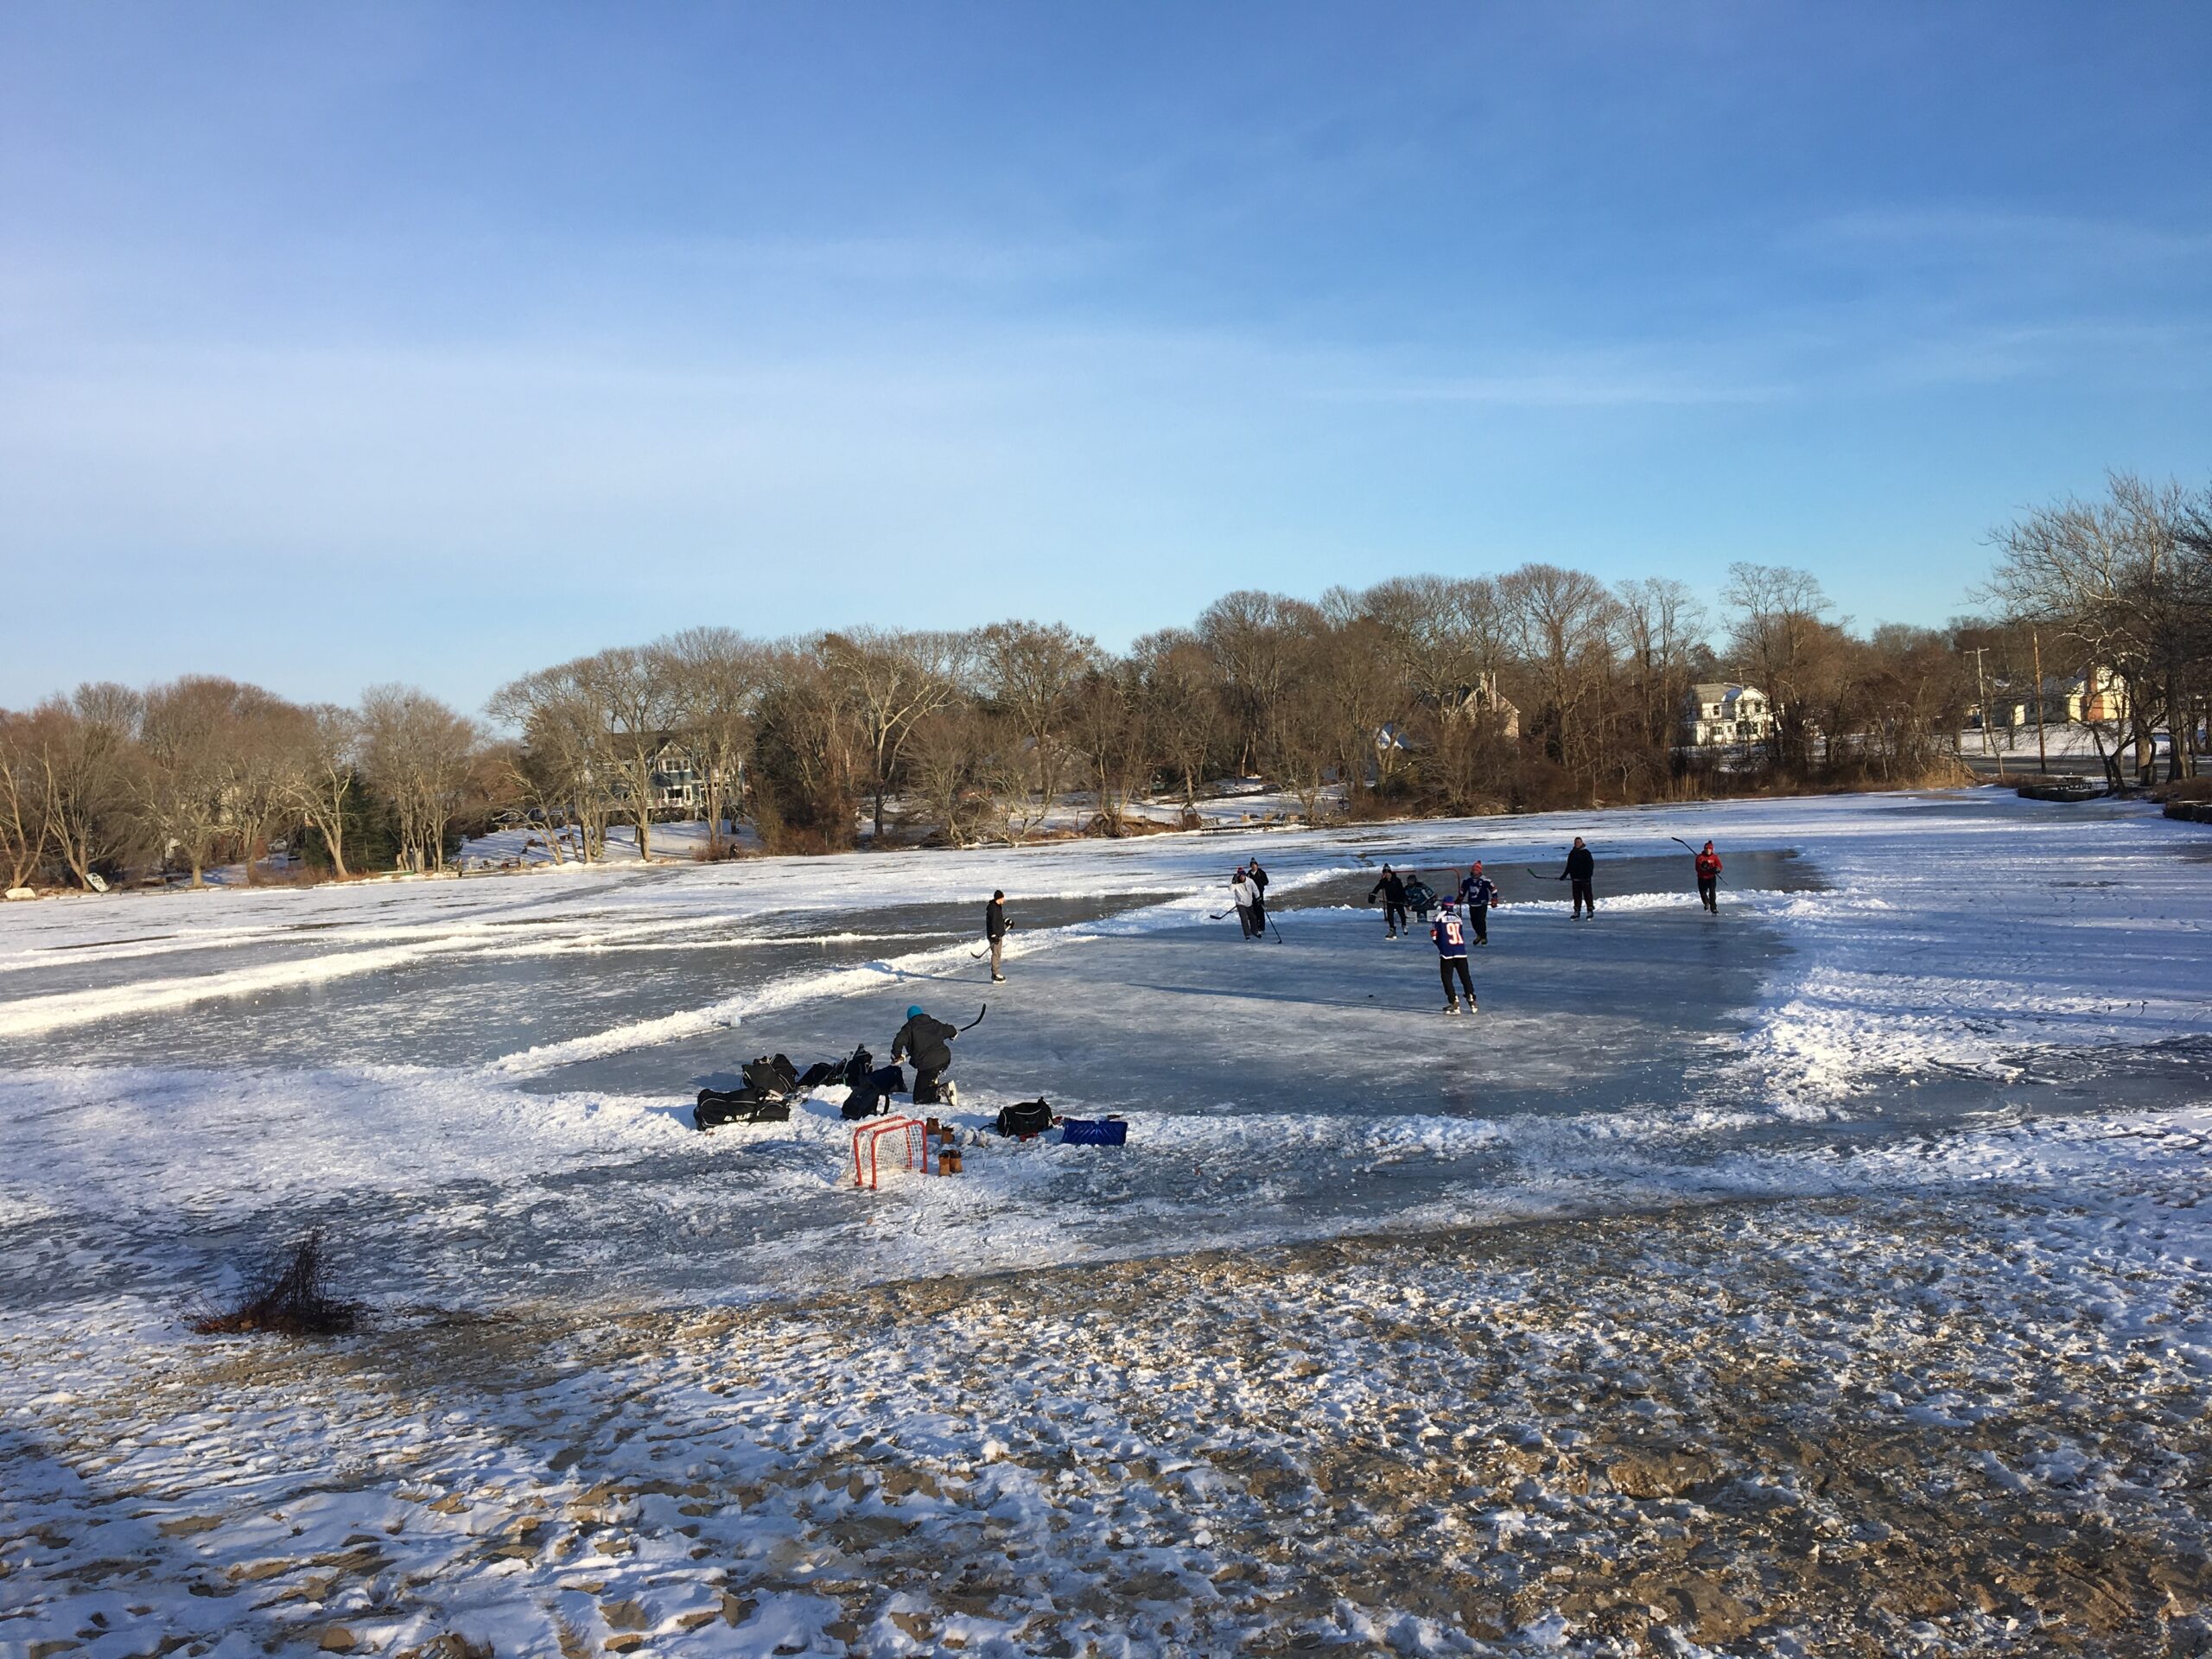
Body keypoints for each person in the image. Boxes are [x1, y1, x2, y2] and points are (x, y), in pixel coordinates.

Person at [891, 1003, 960, 1105]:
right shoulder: (933, 1023)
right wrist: (953, 1034)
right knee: (930, 1074)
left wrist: (897, 1056)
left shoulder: (908, 1029)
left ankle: (941, 1089)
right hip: (945, 1059)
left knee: (919, 1098)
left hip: (928, 1065)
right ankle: (933, 1082)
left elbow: (898, 1042)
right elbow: (950, 1030)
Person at [1432, 899, 1478, 1014]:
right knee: (1465, 976)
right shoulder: (1458, 917)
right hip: (1461, 951)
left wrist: (1441, 946)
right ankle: (1471, 997)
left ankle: (1454, 1001)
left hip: (1447, 952)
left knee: (1446, 977)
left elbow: (1434, 936)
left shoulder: (1439, 917)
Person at [1456, 861, 1501, 945]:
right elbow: (1463, 890)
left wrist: (1494, 899)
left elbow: (1493, 889)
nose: (1475, 872)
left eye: (1476, 870)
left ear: (1480, 871)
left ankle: (1483, 937)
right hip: (1472, 904)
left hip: (1482, 904)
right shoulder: (1467, 880)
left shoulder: (1485, 880)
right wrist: (1460, 898)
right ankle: (1479, 935)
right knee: (1473, 921)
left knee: (1481, 921)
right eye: (1474, 870)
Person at [1559, 836, 1596, 919]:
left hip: (1585, 879)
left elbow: (1590, 866)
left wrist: (1588, 876)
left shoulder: (1586, 853)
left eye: (1578, 842)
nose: (1577, 844)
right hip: (1575, 879)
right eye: (1575, 842)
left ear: (1582, 843)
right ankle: (1577, 912)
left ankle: (1590, 911)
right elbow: (1569, 866)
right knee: (1576, 896)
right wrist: (1564, 875)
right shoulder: (1572, 853)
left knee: (1588, 895)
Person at [1368, 864, 1409, 938]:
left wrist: (1405, 900)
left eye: (1387, 873)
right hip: (1390, 901)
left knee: (1402, 914)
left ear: (1390, 873)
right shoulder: (1383, 881)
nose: (1386, 875)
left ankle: (1404, 925)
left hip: (1398, 901)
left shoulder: (1397, 880)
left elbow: (1402, 891)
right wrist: (1373, 894)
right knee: (1390, 915)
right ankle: (1392, 930)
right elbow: (1377, 888)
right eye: (1384, 873)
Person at [984, 889, 1009, 981]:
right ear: (999, 898)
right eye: (1003, 898)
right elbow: (993, 923)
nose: (1004, 900)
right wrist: (994, 935)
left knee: (997, 954)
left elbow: (998, 920)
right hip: (995, 935)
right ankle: (995, 974)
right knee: (996, 954)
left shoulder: (997, 907)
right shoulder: (994, 908)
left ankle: (995, 973)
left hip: (997, 934)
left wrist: (1006, 921)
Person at [1694, 841, 1723, 914]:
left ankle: (1714, 908)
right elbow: (1697, 868)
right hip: (1702, 878)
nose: (1708, 850)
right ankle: (1706, 903)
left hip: (1711, 878)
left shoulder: (1715, 857)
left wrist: (1717, 869)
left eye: (1709, 849)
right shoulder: (1700, 857)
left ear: (1712, 849)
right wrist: (1703, 867)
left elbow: (1719, 866)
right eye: (1706, 849)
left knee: (1712, 892)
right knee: (1703, 893)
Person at [1230, 866, 1260, 938]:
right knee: (1244, 919)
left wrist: (1258, 897)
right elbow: (1230, 889)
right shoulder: (1236, 883)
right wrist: (1233, 882)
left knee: (1253, 917)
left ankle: (1255, 931)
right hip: (1240, 904)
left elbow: (1255, 889)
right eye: (1240, 876)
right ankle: (1247, 934)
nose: (1242, 877)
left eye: (1243, 876)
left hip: (1249, 903)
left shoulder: (1250, 881)